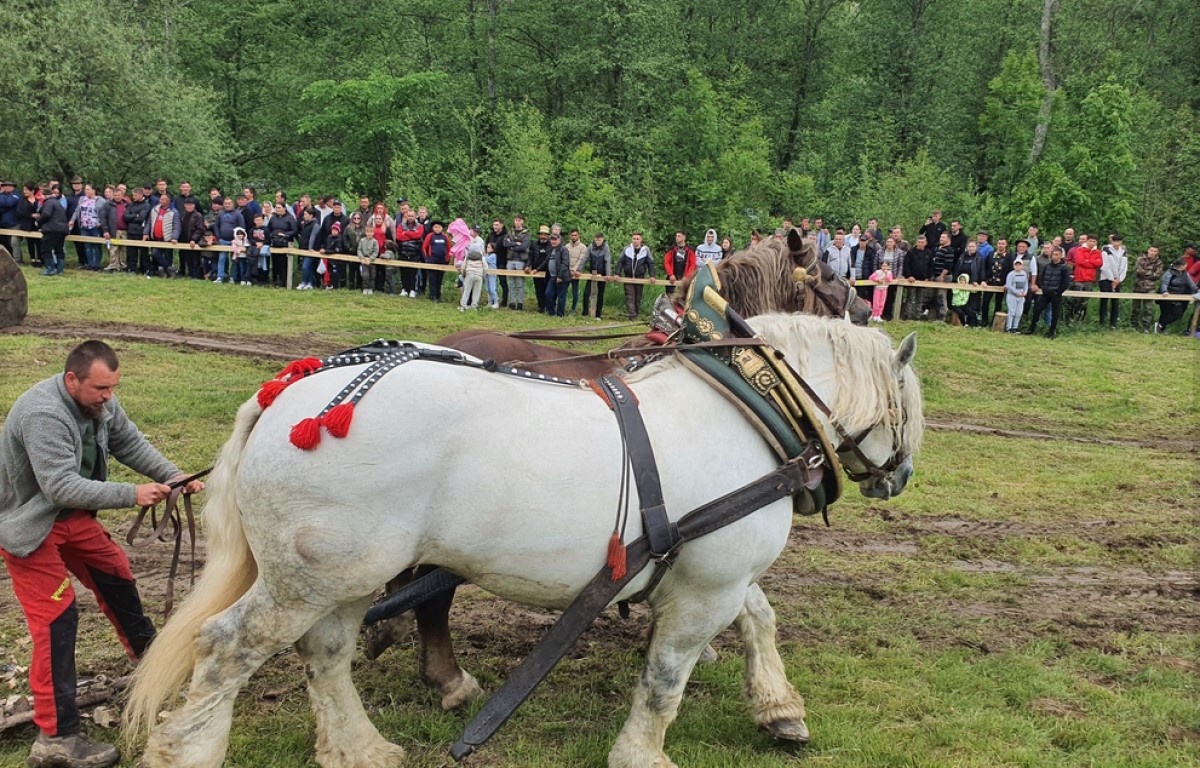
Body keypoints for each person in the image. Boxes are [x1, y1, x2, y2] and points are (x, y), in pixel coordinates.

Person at [0, 341, 204, 768]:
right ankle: (56, 738)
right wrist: (132, 494)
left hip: (72, 518)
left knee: (117, 576)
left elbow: (129, 443)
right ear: (72, 380)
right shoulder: (43, 413)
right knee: (58, 618)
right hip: (30, 524)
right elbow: (59, 486)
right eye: (100, 389)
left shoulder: (100, 404)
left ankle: (151, 670)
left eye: (112, 387)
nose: (108, 397)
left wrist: (173, 476)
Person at [1025, 246, 1071, 338]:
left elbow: (1065, 283)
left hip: (1055, 294)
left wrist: (1058, 292)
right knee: (1037, 310)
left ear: (1060, 256)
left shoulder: (1064, 268)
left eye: (1056, 255)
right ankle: (1031, 329)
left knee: (1054, 313)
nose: (1054, 256)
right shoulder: (1047, 266)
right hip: (1045, 293)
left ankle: (1051, 332)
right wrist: (1043, 287)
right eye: (1053, 254)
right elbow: (1041, 278)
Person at [617, 232, 655, 320]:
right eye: (634, 239)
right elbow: (620, 262)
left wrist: (652, 275)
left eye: (637, 239)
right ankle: (632, 316)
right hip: (628, 276)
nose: (635, 241)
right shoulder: (626, 249)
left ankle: (635, 314)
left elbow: (650, 263)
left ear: (641, 240)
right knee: (630, 297)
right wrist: (617, 273)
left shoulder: (646, 250)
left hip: (640, 277)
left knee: (638, 297)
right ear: (631, 239)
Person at [1066, 234, 1103, 324]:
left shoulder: (1098, 252)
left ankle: (1081, 319)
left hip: (1090, 279)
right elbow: (1079, 261)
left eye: (1094, 241)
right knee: (1076, 300)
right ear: (1087, 241)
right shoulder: (1080, 250)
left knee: (1085, 301)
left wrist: (1087, 260)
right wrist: (1091, 262)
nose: (1092, 243)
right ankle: (1071, 318)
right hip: (1079, 278)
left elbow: (1100, 263)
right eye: (1090, 241)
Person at [1156, 258, 1198, 333]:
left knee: (1177, 313)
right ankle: (1161, 329)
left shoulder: (1185, 273)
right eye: (1185, 265)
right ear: (1182, 266)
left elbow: (1190, 283)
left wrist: (1196, 289)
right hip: (1168, 295)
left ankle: (1161, 324)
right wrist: (1164, 291)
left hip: (1179, 296)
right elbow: (1164, 283)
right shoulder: (1169, 272)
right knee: (1165, 313)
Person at [67, 184, 103, 271]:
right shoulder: (82, 199)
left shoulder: (100, 200)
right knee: (87, 246)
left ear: (93, 190)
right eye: (85, 189)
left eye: (88, 189)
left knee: (96, 246)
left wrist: (100, 222)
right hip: (84, 226)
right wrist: (72, 220)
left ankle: (97, 265)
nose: (86, 191)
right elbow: (77, 211)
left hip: (95, 226)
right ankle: (89, 264)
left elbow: (105, 213)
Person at [144, 193, 179, 278]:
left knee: (168, 257)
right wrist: (145, 233)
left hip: (168, 239)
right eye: (160, 199)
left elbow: (177, 226)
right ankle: (169, 269)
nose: (160, 201)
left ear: (168, 201)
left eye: (163, 199)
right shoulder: (154, 210)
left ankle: (168, 274)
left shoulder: (174, 212)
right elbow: (149, 222)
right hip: (156, 238)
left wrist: (174, 237)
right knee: (155, 253)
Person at [36, 185, 69, 276]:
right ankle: (60, 270)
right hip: (62, 229)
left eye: (41, 195)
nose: (40, 197)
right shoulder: (56, 202)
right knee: (59, 249)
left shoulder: (49, 203)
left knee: (45, 248)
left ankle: (50, 269)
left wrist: (38, 221)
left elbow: (46, 214)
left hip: (52, 229)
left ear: (45, 195)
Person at [1131, 246, 1164, 333]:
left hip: (1150, 288)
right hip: (1138, 286)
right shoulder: (1140, 259)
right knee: (1135, 308)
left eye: (1155, 251)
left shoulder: (1159, 262)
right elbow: (1138, 271)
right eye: (1151, 250)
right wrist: (1150, 273)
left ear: (1157, 253)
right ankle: (1134, 326)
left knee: (1148, 309)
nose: (1152, 252)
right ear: (1148, 251)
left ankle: (1146, 327)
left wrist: (1145, 273)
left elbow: (1157, 275)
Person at [1099, 234, 1128, 329]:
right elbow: (1105, 266)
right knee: (1104, 300)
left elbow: (1124, 267)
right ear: (1112, 241)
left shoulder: (1123, 251)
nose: (1117, 243)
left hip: (1118, 280)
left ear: (1121, 242)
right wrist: (1112, 278)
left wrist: (1119, 279)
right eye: (1115, 241)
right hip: (1106, 279)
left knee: (1115, 302)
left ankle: (1113, 323)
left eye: (1119, 241)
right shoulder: (1106, 250)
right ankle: (1102, 322)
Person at [394, 209, 424, 298]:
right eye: (409, 216)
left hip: (415, 252)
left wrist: (406, 233)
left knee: (413, 273)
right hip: (403, 251)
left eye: (412, 216)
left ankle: (412, 290)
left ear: (415, 217)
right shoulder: (400, 225)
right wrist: (412, 235)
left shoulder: (420, 226)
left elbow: (418, 235)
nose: (410, 217)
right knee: (404, 272)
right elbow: (399, 237)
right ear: (406, 216)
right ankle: (404, 289)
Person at [902, 234, 933, 320]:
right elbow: (906, 265)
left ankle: (917, 316)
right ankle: (907, 315)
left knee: (920, 299)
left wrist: (928, 277)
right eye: (919, 242)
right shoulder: (911, 252)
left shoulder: (929, 253)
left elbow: (931, 266)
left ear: (925, 243)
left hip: (923, 280)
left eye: (922, 242)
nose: (920, 244)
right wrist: (909, 276)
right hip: (912, 279)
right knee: (909, 298)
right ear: (916, 242)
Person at [121, 187, 151, 276]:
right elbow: (125, 217)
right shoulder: (131, 205)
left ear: (141, 195)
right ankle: (131, 268)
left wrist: (132, 217)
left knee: (144, 253)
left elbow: (141, 218)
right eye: (133, 195)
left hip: (141, 231)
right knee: (131, 252)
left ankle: (146, 269)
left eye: (135, 195)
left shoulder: (146, 205)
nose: (133, 197)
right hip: (131, 231)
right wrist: (135, 215)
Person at [981, 237, 1010, 327]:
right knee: (985, 302)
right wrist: (983, 280)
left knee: (998, 303)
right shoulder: (990, 254)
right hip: (989, 282)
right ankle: (984, 321)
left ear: (1006, 245)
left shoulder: (1009, 256)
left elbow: (1010, 271)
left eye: (1002, 243)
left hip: (1001, 284)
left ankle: (994, 322)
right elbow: (984, 267)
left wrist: (1007, 283)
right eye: (999, 243)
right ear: (997, 244)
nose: (1000, 245)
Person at [502, 215, 530, 310]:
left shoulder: (526, 233)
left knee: (520, 283)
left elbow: (524, 246)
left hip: (520, 260)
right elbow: (505, 243)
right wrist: (515, 243)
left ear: (522, 222)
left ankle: (520, 303)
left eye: (519, 220)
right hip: (510, 260)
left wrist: (512, 246)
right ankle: (512, 302)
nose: (517, 222)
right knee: (511, 282)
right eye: (516, 220)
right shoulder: (510, 231)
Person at [543, 232, 573, 316]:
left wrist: (560, 276)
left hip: (562, 277)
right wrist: (536, 269)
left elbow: (565, 264)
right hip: (552, 277)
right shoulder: (550, 249)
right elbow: (545, 262)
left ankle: (560, 314)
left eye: (555, 240)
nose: (553, 241)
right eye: (552, 240)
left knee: (561, 297)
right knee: (548, 294)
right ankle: (551, 313)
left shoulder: (564, 249)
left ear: (559, 240)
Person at [584, 232, 611, 318]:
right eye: (596, 240)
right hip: (592, 273)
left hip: (602, 274)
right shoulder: (591, 247)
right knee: (586, 293)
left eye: (599, 240)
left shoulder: (606, 248)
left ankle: (598, 315)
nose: (597, 242)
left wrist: (608, 274)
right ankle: (584, 312)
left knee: (600, 294)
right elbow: (584, 259)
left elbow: (607, 261)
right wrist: (578, 270)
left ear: (602, 239)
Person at [527, 225, 553, 312]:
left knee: (547, 290)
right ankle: (541, 306)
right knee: (538, 289)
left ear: (548, 236)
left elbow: (547, 259)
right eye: (541, 234)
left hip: (547, 271)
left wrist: (537, 269)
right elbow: (530, 256)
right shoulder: (534, 244)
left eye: (545, 235)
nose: (543, 236)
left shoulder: (551, 245)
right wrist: (528, 266)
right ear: (539, 235)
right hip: (535, 271)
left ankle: (547, 306)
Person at [663, 230, 696, 296]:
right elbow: (666, 262)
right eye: (676, 236)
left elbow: (693, 264)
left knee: (684, 296)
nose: (676, 237)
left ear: (684, 238)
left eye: (679, 236)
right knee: (670, 296)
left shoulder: (690, 250)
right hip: (672, 277)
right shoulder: (671, 249)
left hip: (685, 277)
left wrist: (687, 276)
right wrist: (671, 274)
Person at [564, 228, 588, 313]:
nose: (574, 237)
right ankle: (562, 307)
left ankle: (573, 309)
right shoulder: (566, 246)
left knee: (575, 291)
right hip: (566, 272)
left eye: (575, 235)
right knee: (564, 291)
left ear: (578, 236)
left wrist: (574, 270)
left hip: (576, 272)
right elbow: (565, 259)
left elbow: (581, 260)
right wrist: (567, 270)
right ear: (569, 236)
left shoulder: (583, 247)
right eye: (572, 235)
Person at [486, 219, 509, 307]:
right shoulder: (490, 235)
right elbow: (487, 246)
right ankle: (491, 300)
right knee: (490, 282)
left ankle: (504, 300)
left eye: (497, 225)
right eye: (494, 225)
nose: (495, 227)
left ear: (502, 225)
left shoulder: (506, 236)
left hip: (501, 261)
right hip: (490, 262)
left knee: (502, 281)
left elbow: (507, 248)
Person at [1004, 258, 1029, 333]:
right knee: (1012, 311)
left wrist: (1025, 291)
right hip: (1012, 295)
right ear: (1013, 265)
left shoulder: (1024, 273)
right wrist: (1015, 292)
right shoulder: (1011, 274)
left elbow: (1026, 284)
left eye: (1019, 264)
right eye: (1016, 264)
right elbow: (1009, 285)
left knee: (1019, 312)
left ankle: (1015, 327)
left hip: (1021, 296)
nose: (1017, 266)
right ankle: (1009, 327)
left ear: (1022, 265)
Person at [0, 180, 19, 260]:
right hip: (3, 223)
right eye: (5, 186)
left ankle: (17, 259)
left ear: (13, 187)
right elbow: (5, 204)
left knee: (14, 242)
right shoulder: (2, 195)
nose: (7, 187)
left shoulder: (16, 195)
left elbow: (9, 203)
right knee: (5, 243)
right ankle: (7, 258)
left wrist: (3, 201)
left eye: (9, 185)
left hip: (14, 223)